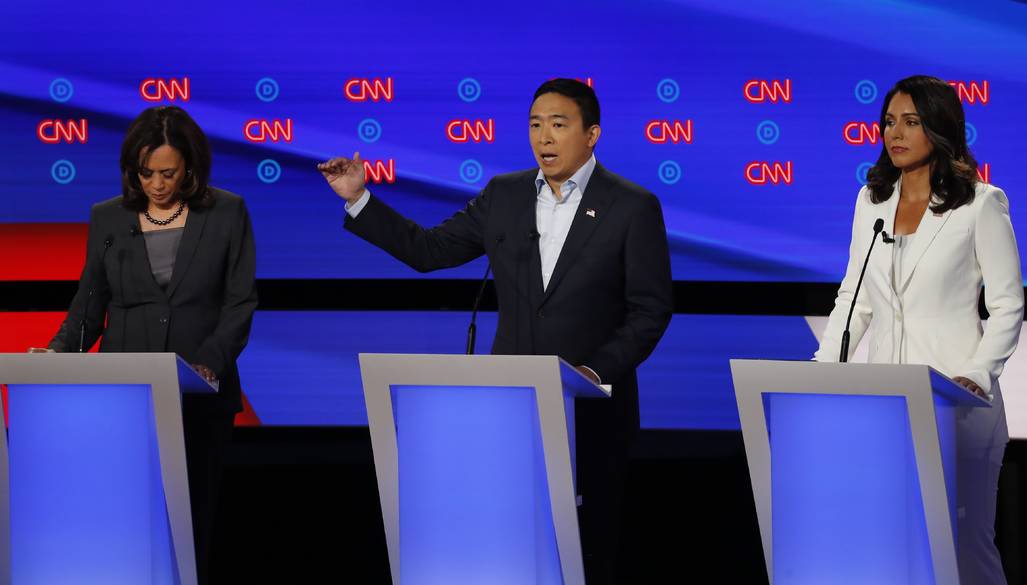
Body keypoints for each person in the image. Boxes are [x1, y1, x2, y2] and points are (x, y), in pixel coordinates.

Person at [319, 78, 673, 584]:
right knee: (509, 549)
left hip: (593, 414)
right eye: (535, 125)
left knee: (587, 550)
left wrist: (593, 371)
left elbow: (650, 311)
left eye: (558, 124)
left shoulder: (631, 206)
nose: (544, 137)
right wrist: (359, 199)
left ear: (591, 134)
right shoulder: (504, 196)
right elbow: (428, 250)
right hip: (510, 410)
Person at [33, 105, 258, 585]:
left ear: (191, 167)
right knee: (125, 517)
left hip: (198, 398)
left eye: (169, 173)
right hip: (125, 395)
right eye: (146, 173)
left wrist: (209, 365)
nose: (157, 184)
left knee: (189, 520)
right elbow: (89, 304)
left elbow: (240, 304)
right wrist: (57, 353)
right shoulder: (109, 219)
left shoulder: (227, 212)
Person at [815, 75, 1023, 585]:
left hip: (957, 401)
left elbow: (1007, 304)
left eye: (911, 121)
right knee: (890, 542)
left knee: (963, 544)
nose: (896, 133)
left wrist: (977, 375)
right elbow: (855, 297)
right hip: (884, 401)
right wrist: (823, 371)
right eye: (890, 121)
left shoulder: (980, 202)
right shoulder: (872, 201)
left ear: (940, 126)